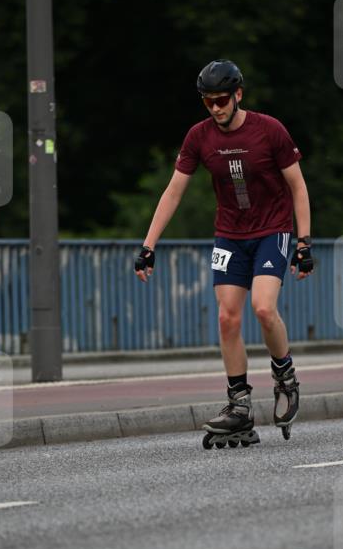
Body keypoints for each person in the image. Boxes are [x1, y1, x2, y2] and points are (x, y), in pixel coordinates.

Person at [134, 59, 313, 443]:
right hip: (229, 235)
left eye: (221, 101)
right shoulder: (199, 138)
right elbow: (173, 192)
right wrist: (148, 245)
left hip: (272, 230)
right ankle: (239, 405)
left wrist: (303, 242)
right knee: (227, 319)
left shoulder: (269, 130)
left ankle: (285, 377)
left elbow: (297, 186)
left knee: (263, 308)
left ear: (238, 95)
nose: (215, 108)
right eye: (208, 102)